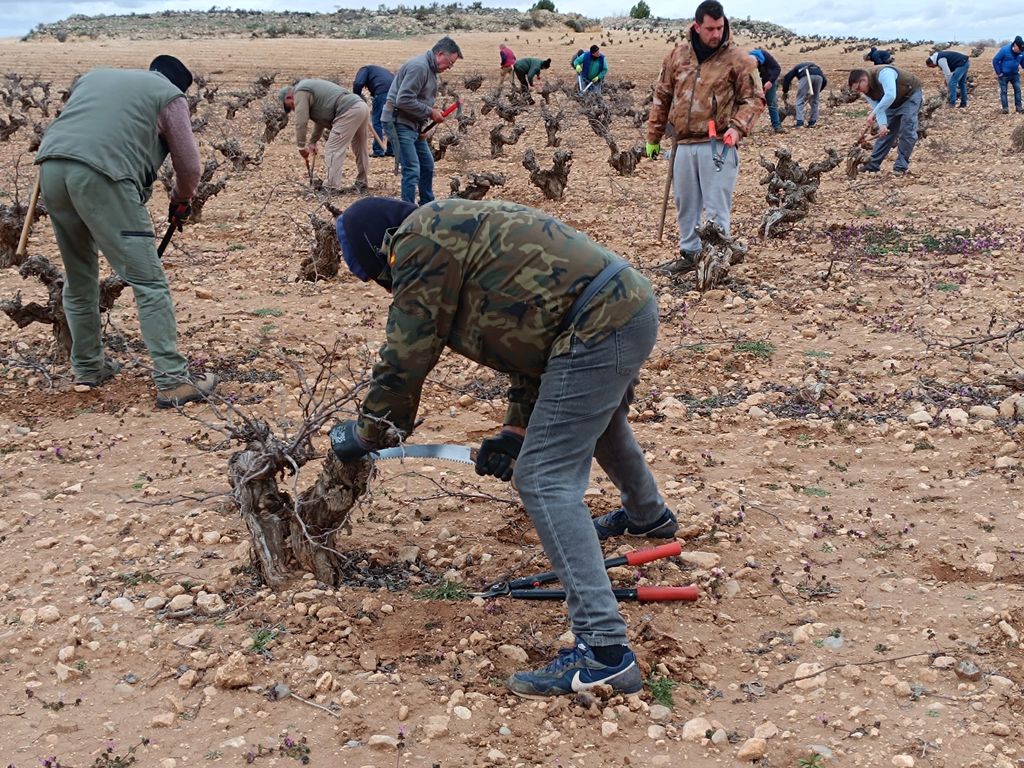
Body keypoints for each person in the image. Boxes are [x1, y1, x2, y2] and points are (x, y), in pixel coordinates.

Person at [329, 196, 678, 698]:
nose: (388, 286)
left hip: (600, 324)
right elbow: (529, 338)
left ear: (379, 248)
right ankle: (649, 516)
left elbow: (407, 350)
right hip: (620, 309)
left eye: (379, 276)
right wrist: (516, 431)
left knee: (542, 479)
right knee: (596, 419)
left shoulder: (418, 241)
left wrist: (370, 432)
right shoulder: (452, 229)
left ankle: (605, 653)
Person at [34, 55, 217, 408]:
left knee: (79, 275)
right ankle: (172, 380)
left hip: (52, 169)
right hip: (103, 174)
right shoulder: (170, 97)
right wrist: (182, 198)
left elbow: (72, 123)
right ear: (179, 85)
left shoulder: (93, 77)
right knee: (149, 282)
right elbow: (189, 166)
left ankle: (88, 367)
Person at [644, 0, 764, 274]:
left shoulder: (738, 59)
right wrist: (653, 137)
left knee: (716, 206)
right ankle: (690, 255)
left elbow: (754, 100)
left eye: (720, 28)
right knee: (685, 204)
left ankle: (716, 260)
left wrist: (737, 127)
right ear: (697, 26)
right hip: (683, 143)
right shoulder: (677, 56)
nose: (716, 34)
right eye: (710, 29)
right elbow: (662, 96)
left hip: (718, 144)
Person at [381, 36, 462, 205]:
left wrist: (422, 126)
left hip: (413, 124)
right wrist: (431, 113)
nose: (449, 67)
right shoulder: (419, 67)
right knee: (411, 169)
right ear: (440, 54)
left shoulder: (431, 71)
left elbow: (421, 101)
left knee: (427, 165)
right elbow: (403, 100)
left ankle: (427, 207)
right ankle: (408, 211)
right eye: (450, 63)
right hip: (398, 122)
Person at [278, 79, 369, 194]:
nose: (293, 109)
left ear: (289, 97)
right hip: (360, 106)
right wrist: (313, 141)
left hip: (347, 110)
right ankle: (362, 182)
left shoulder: (300, 92)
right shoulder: (310, 89)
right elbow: (321, 119)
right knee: (360, 147)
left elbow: (301, 122)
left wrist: (301, 147)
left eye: (290, 106)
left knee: (333, 149)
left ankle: (331, 187)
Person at [848, 65, 923, 175]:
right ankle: (873, 165)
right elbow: (879, 108)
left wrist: (873, 114)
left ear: (863, 80)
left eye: (858, 88)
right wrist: (883, 125)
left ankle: (900, 167)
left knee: (907, 131)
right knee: (885, 134)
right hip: (891, 104)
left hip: (909, 96)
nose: (859, 91)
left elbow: (890, 95)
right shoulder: (867, 91)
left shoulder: (884, 73)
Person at [352, 65, 395, 158]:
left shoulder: (364, 69)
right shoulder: (380, 71)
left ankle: (378, 150)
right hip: (396, 92)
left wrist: (356, 96)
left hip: (382, 92)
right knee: (390, 121)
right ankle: (391, 150)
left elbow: (358, 83)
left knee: (377, 121)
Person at [781, 62, 827, 127]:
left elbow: (787, 77)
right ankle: (813, 121)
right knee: (815, 100)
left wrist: (785, 91)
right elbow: (825, 81)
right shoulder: (816, 68)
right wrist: (817, 92)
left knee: (800, 99)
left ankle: (800, 121)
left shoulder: (796, 68)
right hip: (819, 77)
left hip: (806, 75)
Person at [750, 48, 783, 132]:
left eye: (757, 65)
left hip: (768, 81)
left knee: (772, 103)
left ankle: (777, 126)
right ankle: (747, 127)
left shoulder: (766, 56)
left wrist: (770, 82)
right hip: (754, 83)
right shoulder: (746, 60)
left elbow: (777, 68)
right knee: (751, 104)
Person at [992, 36, 1024, 114]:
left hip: (1015, 74)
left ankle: (1019, 108)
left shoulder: (1021, 52)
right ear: (1015, 45)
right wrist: (999, 73)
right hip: (1004, 75)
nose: (1020, 51)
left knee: (1018, 90)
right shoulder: (1004, 50)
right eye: (1019, 49)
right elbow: (995, 60)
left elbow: (1022, 61)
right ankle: (1005, 109)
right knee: (1004, 91)